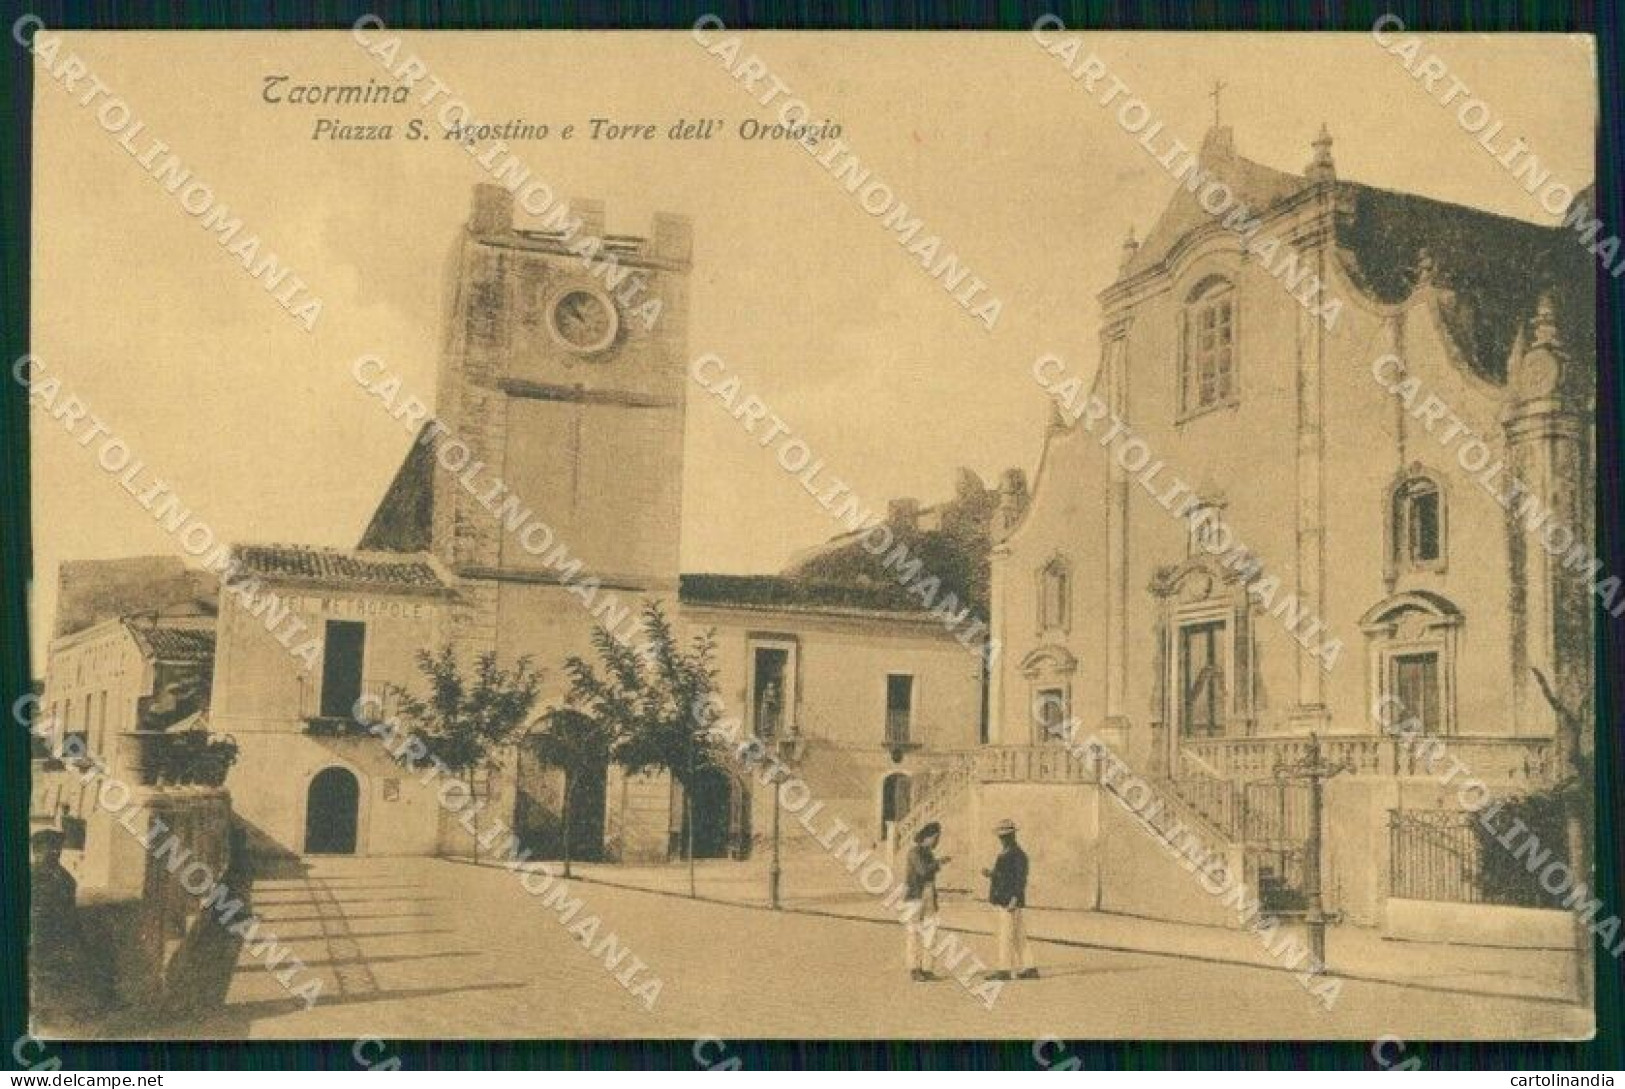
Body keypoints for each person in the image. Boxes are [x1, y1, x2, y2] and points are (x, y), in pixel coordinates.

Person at [982, 818, 1035, 980]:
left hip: (1009, 900)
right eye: (1001, 836)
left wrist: (1015, 898)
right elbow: (1004, 876)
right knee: (1019, 935)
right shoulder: (1008, 853)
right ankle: (1029, 967)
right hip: (1004, 898)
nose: (1002, 839)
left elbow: (1020, 880)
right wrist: (991, 874)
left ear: (1012, 836)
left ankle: (1004, 969)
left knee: (1006, 934)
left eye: (1005, 836)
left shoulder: (1017, 855)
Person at [903, 821, 949, 982]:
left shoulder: (929, 853)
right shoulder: (914, 852)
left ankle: (928, 968)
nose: (937, 842)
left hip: (929, 894)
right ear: (927, 837)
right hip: (915, 896)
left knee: (931, 931)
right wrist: (938, 863)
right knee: (914, 932)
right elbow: (922, 871)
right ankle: (914, 968)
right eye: (935, 838)